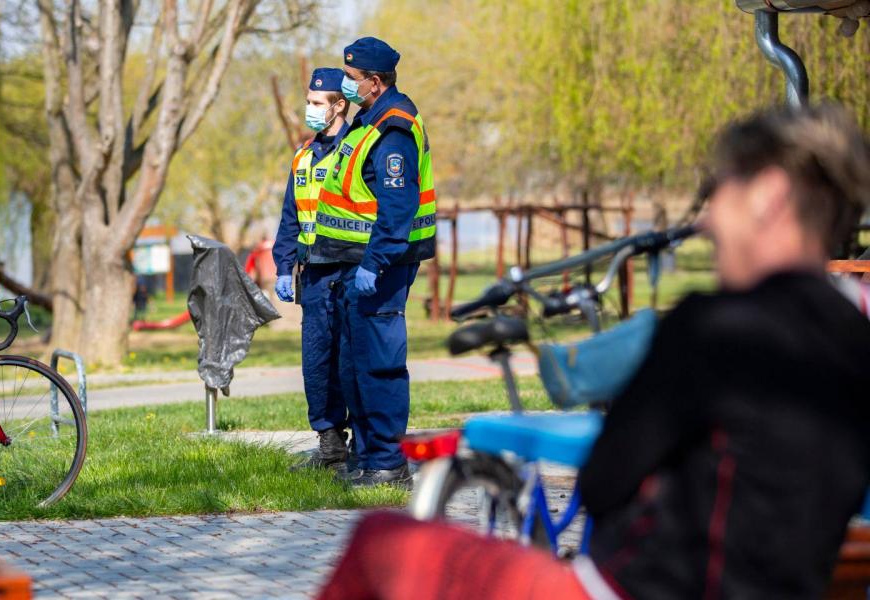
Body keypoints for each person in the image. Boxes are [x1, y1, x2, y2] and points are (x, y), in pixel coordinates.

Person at [318, 103, 870, 598]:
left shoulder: (716, 328)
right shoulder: (853, 333)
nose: (706, 220)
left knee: (379, 537)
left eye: (718, 190)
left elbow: (604, 482)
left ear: (768, 195)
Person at [308, 37, 436, 487]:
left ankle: (388, 462)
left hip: (382, 266)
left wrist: (376, 262)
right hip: (355, 265)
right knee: (354, 362)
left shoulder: (394, 129)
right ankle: (366, 456)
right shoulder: (370, 118)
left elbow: (397, 207)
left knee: (379, 363)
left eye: (354, 79)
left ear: (375, 82)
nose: (348, 85)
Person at [271, 68, 353, 472]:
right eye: (309, 101)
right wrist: (284, 266)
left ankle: (370, 446)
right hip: (315, 274)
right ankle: (331, 445)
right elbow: (290, 217)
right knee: (317, 360)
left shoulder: (356, 149)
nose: (310, 109)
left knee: (352, 358)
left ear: (340, 105)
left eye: (318, 103)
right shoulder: (303, 156)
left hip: (352, 270)